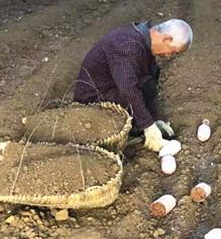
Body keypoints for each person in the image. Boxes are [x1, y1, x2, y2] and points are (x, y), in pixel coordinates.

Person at [74, 19, 193, 152]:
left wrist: (155, 119)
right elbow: (128, 88)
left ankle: (137, 125)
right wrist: (148, 125)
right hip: (92, 101)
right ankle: (129, 131)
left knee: (147, 83)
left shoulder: (144, 42)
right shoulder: (127, 45)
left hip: (113, 89)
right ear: (167, 39)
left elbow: (148, 84)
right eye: (174, 52)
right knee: (138, 88)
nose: (171, 56)